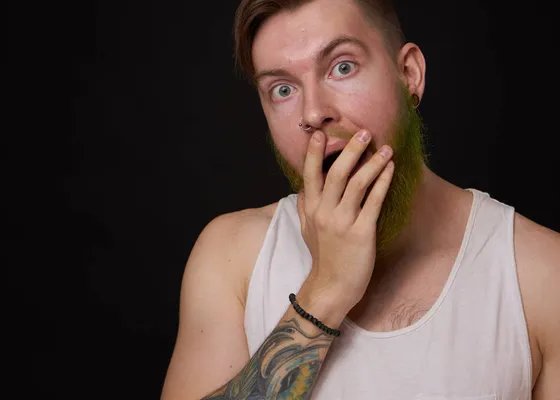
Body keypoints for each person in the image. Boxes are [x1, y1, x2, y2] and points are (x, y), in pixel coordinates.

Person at [161, 0, 560, 398]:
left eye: (342, 67)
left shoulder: (541, 275)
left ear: (409, 74)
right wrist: (325, 292)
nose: (314, 112)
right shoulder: (231, 258)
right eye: (282, 89)